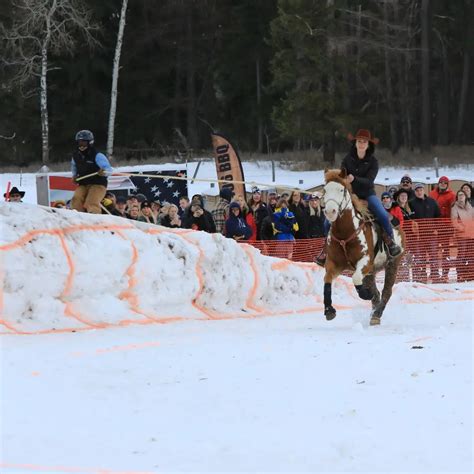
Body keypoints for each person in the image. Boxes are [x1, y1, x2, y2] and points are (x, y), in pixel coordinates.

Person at [316, 129, 401, 266]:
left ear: (368, 144)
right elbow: (341, 175)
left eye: (364, 142)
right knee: (327, 221)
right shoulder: (347, 159)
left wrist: (354, 178)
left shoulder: (373, 162)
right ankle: (326, 249)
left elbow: (369, 181)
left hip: (368, 194)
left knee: (382, 215)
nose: (361, 144)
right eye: (359, 141)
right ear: (355, 143)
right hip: (350, 194)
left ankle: (391, 243)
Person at [71, 130, 113, 214]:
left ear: (90, 143)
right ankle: (78, 219)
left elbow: (109, 170)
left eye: (84, 143)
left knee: (91, 202)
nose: (81, 145)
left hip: (98, 184)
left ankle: (95, 220)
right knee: (76, 200)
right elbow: (74, 167)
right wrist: (74, 176)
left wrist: (103, 172)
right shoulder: (75, 156)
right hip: (83, 183)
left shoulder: (97, 155)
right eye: (79, 143)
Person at [451, 190, 474, 282]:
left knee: (470, 255)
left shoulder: (470, 207)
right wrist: (462, 228)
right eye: (459, 195)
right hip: (462, 235)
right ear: (457, 197)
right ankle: (460, 274)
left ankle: (469, 274)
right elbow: (454, 221)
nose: (461, 196)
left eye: (462, 195)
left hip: (472, 234)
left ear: (465, 196)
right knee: (462, 254)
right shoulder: (455, 208)